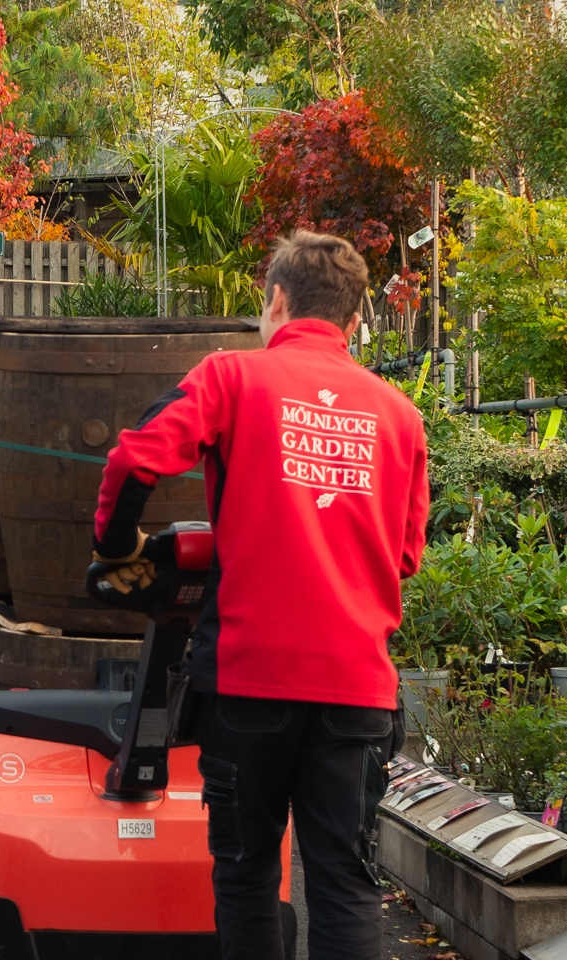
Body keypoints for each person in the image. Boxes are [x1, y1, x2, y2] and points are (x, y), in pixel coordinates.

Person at [89, 231, 429, 960]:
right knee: (345, 883)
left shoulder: (230, 378)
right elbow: (403, 556)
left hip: (252, 681)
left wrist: (116, 550)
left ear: (275, 301)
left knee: (245, 873)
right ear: (356, 313)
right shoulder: (399, 416)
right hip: (357, 690)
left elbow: (135, 457)